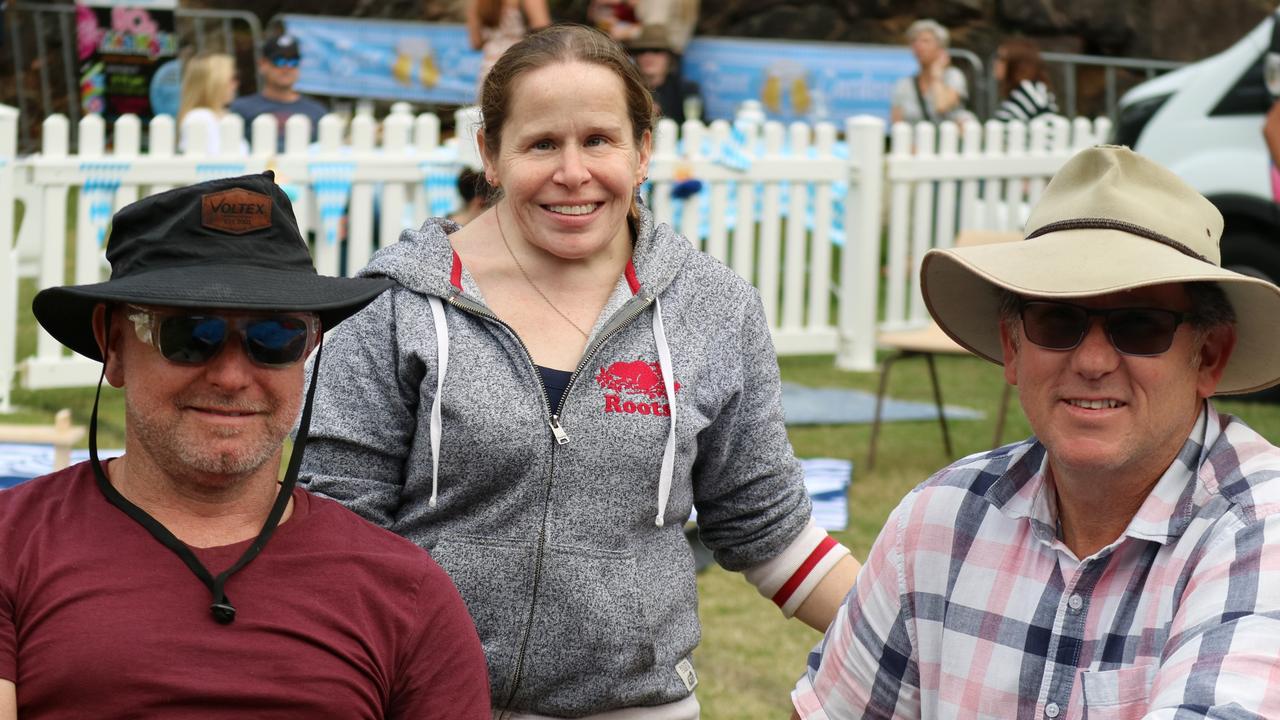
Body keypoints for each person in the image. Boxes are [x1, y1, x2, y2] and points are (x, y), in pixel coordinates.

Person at [300, 24, 860, 719]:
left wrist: (910, 642)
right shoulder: (394, 302)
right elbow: (333, 528)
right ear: (490, 154)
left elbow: (764, 525)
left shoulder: (713, 307)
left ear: (643, 149)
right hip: (429, 703)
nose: (573, 173)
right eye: (542, 144)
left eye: (598, 139)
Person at [792, 145, 1280, 718]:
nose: (1093, 360)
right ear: (1013, 347)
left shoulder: (1258, 533)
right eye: (1058, 319)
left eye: (1140, 325)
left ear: (1209, 357)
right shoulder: (941, 520)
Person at [0, 173, 491, 718]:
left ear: (308, 350)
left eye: (274, 338)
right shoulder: (11, 546)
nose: (232, 376)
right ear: (113, 345)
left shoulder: (405, 592)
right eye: (190, 335)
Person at [228, 34, 327, 152]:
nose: (286, 67)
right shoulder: (240, 108)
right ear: (262, 64)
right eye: (279, 61)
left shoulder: (317, 111)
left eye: (293, 62)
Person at [890, 19, 972, 125]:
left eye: (926, 41)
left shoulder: (953, 76)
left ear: (940, 47)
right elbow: (897, 124)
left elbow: (941, 106)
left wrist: (936, 76)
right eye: (914, 41)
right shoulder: (903, 84)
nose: (918, 45)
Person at [466, 0, 550, 95]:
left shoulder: (478, 3)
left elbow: (475, 43)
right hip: (518, 61)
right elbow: (542, 31)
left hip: (489, 67)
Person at [626, 24, 702, 124]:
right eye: (641, 51)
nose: (648, 56)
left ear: (669, 57)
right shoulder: (627, 89)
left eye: (656, 50)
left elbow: (696, 125)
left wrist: (662, 114)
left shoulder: (686, 89)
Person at [177, 51, 247, 156]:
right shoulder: (199, 118)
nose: (236, 84)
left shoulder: (220, 116)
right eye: (233, 78)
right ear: (215, 82)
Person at [993, 37, 1059, 123]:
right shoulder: (1017, 92)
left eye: (1001, 58)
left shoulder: (1031, 92)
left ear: (1017, 64)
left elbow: (1048, 124)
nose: (995, 63)